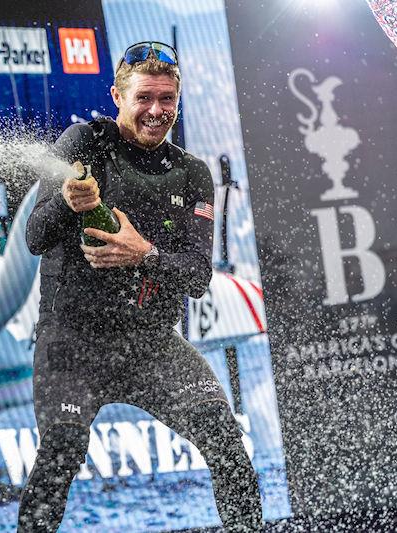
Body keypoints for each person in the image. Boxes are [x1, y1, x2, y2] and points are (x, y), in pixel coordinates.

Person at [19, 42, 263, 532]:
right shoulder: (84, 143)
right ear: (117, 94)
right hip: (73, 341)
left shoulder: (192, 172)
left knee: (227, 442)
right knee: (62, 452)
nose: (156, 111)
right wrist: (69, 202)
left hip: (150, 345)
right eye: (144, 98)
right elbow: (34, 237)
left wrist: (144, 254)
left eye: (167, 99)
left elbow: (197, 276)